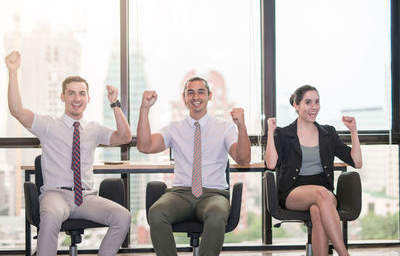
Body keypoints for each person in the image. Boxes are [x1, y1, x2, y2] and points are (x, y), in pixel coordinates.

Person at [5, 51, 132, 256]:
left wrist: (114, 103)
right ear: (62, 96)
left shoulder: (94, 128)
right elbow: (17, 110)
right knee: (51, 216)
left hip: (86, 197)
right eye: (71, 93)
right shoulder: (48, 125)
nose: (76, 98)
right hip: (56, 195)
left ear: (88, 98)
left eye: (81, 93)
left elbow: (125, 137)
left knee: (123, 217)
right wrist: (12, 72)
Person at [137, 77, 251, 256]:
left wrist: (242, 128)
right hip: (180, 194)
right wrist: (144, 109)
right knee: (157, 212)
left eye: (201, 92)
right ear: (184, 98)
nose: (195, 96)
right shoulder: (174, 128)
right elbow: (145, 146)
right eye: (190, 92)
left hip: (213, 193)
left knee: (216, 215)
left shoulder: (225, 128)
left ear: (209, 96)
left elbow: (243, 160)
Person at [265, 85, 362, 256]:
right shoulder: (284, 134)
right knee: (321, 194)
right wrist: (271, 133)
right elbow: (271, 164)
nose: (314, 107)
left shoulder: (328, 133)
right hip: (293, 192)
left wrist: (353, 131)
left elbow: (356, 162)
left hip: (324, 192)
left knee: (317, 211)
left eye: (317, 102)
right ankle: (344, 253)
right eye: (308, 102)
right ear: (296, 106)